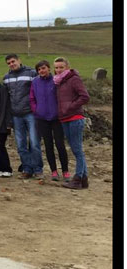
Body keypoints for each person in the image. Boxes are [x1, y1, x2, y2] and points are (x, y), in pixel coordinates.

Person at [3, 54, 43, 179]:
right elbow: (6, 97)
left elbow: (39, 92)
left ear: (19, 60)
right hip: (16, 115)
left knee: (34, 143)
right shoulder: (6, 78)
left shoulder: (32, 73)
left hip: (30, 113)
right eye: (9, 63)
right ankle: (26, 168)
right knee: (20, 144)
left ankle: (38, 169)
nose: (11, 64)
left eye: (13, 61)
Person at [54, 57, 91, 190]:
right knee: (76, 149)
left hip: (75, 118)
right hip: (65, 119)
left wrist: (70, 107)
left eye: (61, 67)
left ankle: (77, 179)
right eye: (56, 67)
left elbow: (85, 96)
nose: (58, 70)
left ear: (67, 67)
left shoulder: (73, 79)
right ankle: (84, 180)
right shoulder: (59, 82)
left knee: (77, 149)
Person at [30, 60, 70, 181]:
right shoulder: (35, 82)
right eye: (39, 69)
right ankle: (53, 171)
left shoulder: (56, 80)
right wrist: (36, 110)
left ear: (48, 68)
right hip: (42, 118)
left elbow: (63, 96)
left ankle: (65, 171)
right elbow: (32, 98)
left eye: (43, 68)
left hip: (56, 118)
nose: (41, 71)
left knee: (60, 144)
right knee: (48, 145)